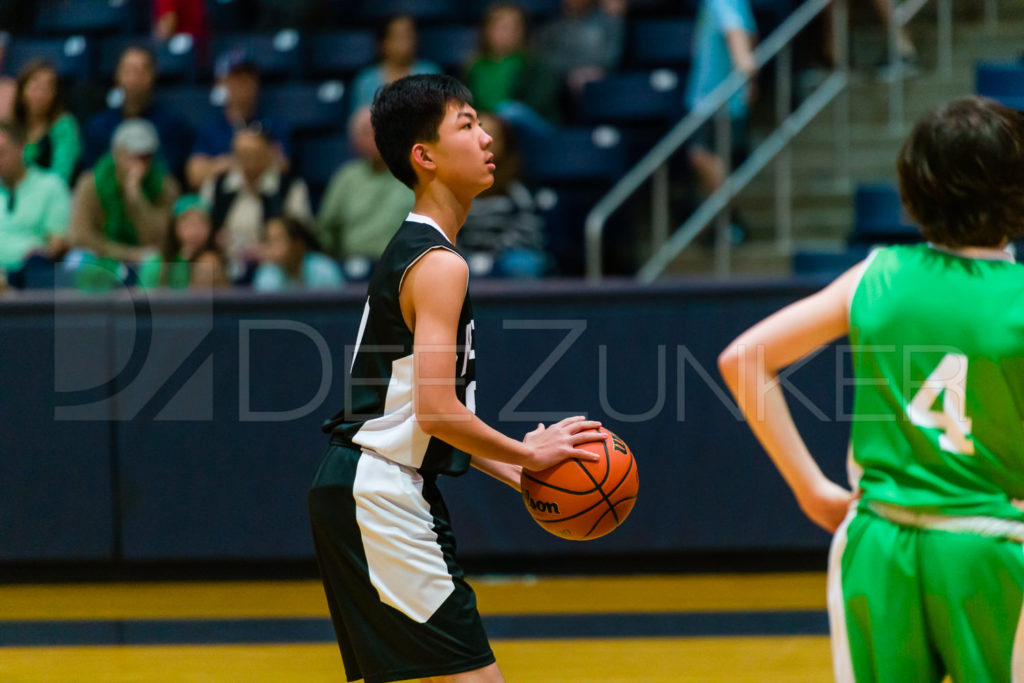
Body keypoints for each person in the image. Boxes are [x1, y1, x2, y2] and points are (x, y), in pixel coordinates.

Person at [309, 74, 606, 683]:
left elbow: (429, 418)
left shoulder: (423, 250)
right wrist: (527, 451)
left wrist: (522, 473)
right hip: (381, 492)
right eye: (466, 125)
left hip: (375, 487)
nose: (486, 135)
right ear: (425, 158)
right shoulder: (439, 264)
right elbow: (438, 411)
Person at [718, 96, 1024, 682]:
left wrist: (811, 489)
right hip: (992, 545)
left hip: (879, 539)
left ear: (912, 185)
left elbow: (744, 359)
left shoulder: (877, 274)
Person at [200, 126, 311, 273]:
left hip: (273, 269)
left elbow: (300, 239)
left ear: (270, 152)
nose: (248, 160)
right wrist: (213, 240)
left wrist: (270, 251)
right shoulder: (215, 186)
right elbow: (199, 230)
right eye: (242, 154)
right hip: (224, 267)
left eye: (254, 154)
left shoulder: (291, 188)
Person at [69, 118, 180, 264]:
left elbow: (163, 238)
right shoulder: (90, 184)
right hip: (103, 256)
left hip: (148, 260)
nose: (140, 164)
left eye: (146, 157)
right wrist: (128, 254)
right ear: (116, 154)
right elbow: (80, 236)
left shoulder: (166, 186)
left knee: (158, 262)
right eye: (134, 156)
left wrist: (137, 199)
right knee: (77, 259)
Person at [316, 106, 413, 266]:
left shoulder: (415, 175)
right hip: (353, 266)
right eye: (366, 132)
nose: (375, 137)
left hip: (406, 264)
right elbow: (325, 231)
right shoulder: (345, 178)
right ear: (355, 140)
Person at [82, 45, 192, 179]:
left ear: (153, 75)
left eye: (141, 71)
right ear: (117, 76)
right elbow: (91, 174)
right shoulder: (97, 127)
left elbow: (170, 176)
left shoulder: (173, 126)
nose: (134, 78)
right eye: (128, 71)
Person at [459, 113, 547, 278]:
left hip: (507, 256)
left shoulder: (516, 186)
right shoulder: (453, 186)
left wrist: (492, 258)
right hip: (465, 256)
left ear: (504, 143)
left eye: (491, 139)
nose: (483, 145)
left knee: (523, 263)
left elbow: (528, 231)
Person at [186, 53, 292, 190]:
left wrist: (224, 164)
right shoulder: (211, 128)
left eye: (248, 79)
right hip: (222, 201)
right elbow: (195, 176)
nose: (243, 85)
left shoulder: (273, 124)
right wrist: (252, 159)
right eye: (236, 79)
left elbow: (283, 167)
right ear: (224, 82)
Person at [464, 4, 562, 126]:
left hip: (533, 126)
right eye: (501, 27)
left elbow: (540, 105)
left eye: (514, 28)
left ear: (524, 32)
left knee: (510, 111)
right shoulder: (474, 66)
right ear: (486, 31)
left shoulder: (537, 65)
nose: (508, 33)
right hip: (485, 123)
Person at [0, 122, 72, 273]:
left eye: (1, 153)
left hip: (30, 275)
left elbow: (57, 242)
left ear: (20, 148)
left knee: (38, 264)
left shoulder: (51, 186)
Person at [349, 14, 442, 115]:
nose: (404, 42)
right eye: (397, 36)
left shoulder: (431, 73)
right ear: (383, 43)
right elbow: (361, 124)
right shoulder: (366, 80)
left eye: (408, 36)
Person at [12, 60, 82, 186]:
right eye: (35, 87)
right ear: (22, 90)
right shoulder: (11, 127)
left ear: (55, 94)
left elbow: (61, 175)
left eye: (48, 88)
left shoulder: (64, 125)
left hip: (51, 197)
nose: (40, 94)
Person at [534, 0, 626, 94]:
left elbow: (611, 58)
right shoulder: (552, 27)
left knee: (588, 78)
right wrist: (570, 71)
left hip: (596, 75)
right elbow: (544, 58)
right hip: (561, 77)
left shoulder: (608, 21)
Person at [137, 193, 217, 288]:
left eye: (202, 223)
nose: (194, 232)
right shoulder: (156, 264)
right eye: (188, 224)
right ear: (174, 227)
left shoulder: (214, 262)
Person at [253, 215, 343, 291]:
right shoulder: (266, 275)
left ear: (298, 244)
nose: (271, 247)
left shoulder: (324, 269)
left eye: (277, 240)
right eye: (268, 240)